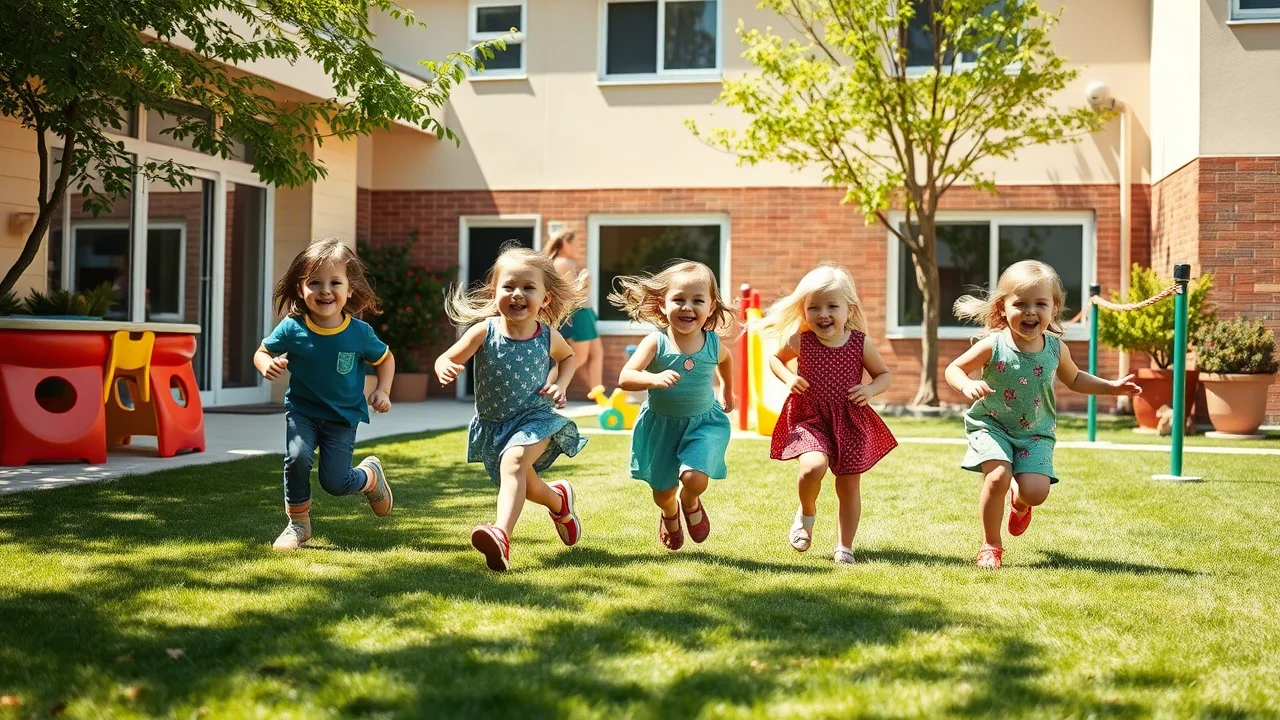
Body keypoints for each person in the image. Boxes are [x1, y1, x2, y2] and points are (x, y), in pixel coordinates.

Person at [945, 260, 1142, 569]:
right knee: (997, 477)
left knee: (1036, 492)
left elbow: (1075, 379)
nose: (1030, 312)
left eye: (1040, 304)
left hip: (1035, 432)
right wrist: (966, 384)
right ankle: (991, 546)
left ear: (1054, 308)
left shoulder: (1055, 349)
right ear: (1002, 308)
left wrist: (1111, 387)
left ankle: (1020, 502)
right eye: (1020, 304)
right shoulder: (993, 345)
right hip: (992, 425)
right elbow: (954, 368)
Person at [434, 244, 588, 572]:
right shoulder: (483, 332)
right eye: (508, 286)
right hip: (495, 425)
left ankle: (501, 535)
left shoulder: (547, 336)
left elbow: (569, 357)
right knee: (525, 484)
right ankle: (559, 501)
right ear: (494, 293)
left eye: (528, 287)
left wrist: (561, 384)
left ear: (545, 298)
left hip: (535, 418)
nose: (517, 294)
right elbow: (447, 357)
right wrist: (444, 366)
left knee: (514, 462)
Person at [255, 238, 396, 551]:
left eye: (335, 282)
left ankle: (369, 477)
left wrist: (383, 390)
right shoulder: (292, 328)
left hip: (342, 418)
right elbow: (262, 352)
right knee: (297, 457)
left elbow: (385, 359)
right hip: (302, 412)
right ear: (300, 288)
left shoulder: (359, 333)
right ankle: (298, 525)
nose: (325, 291)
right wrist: (266, 365)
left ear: (350, 288)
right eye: (315, 283)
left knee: (334, 483)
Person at [757, 262, 897, 564]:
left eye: (832, 306)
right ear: (804, 310)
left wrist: (870, 390)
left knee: (848, 486)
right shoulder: (801, 340)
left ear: (849, 309)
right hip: (811, 418)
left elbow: (884, 375)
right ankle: (806, 513)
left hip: (849, 420)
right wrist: (788, 377)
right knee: (812, 468)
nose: (823, 314)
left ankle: (845, 547)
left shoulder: (859, 343)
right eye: (814, 307)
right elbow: (775, 360)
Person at [612, 260, 735, 551]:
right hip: (661, 427)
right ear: (662, 305)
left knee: (695, 477)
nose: (687, 307)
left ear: (711, 307)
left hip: (703, 423)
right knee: (662, 492)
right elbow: (625, 377)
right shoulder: (656, 342)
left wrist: (727, 390)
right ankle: (670, 512)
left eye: (697, 301)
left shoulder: (712, 343)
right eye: (678, 299)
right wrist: (653, 379)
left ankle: (690, 502)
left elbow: (726, 360)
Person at [544, 229, 607, 399]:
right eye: (575, 244)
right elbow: (571, 296)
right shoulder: (563, 263)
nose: (577, 248)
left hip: (584, 313)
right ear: (565, 243)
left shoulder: (564, 262)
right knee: (579, 358)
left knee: (596, 353)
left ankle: (599, 398)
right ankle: (545, 389)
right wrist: (586, 283)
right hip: (578, 314)